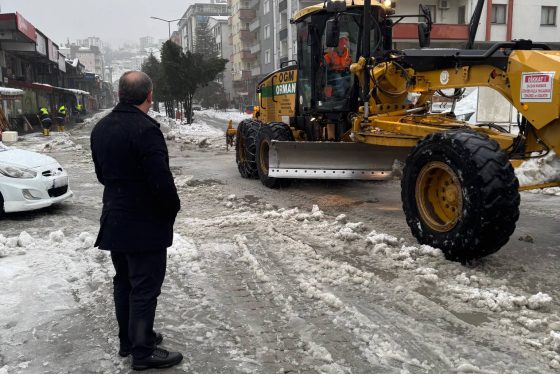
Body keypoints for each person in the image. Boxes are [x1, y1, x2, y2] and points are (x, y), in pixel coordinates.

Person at [90, 71, 183, 371]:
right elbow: (161, 180)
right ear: (149, 95)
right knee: (144, 287)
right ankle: (142, 351)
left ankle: (129, 340)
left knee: (124, 282)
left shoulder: (101, 128)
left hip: (115, 218)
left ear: (119, 94)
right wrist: (171, 209)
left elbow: (102, 175)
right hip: (144, 224)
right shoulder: (146, 130)